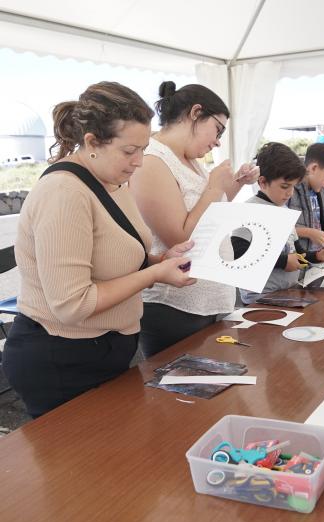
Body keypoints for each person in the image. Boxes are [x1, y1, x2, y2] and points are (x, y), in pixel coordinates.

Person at [2, 82, 195, 418]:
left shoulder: (113, 181)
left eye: (144, 149)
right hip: (62, 357)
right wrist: (153, 274)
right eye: (129, 150)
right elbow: (72, 304)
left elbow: (114, 255)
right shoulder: (64, 193)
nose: (139, 162)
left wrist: (159, 260)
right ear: (92, 142)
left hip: (106, 347)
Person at [130, 82, 259, 358]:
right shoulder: (153, 159)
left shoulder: (190, 160)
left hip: (209, 300)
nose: (218, 141)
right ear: (196, 113)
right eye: (218, 129)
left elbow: (209, 215)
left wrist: (234, 184)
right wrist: (214, 186)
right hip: (176, 307)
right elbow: (182, 237)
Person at [232, 142, 324, 304]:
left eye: (293, 187)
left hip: (288, 292)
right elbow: (238, 252)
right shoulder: (249, 209)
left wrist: (317, 256)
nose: (289, 193)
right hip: (260, 298)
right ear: (262, 182)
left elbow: (297, 252)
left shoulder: (284, 211)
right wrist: (282, 261)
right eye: (284, 186)